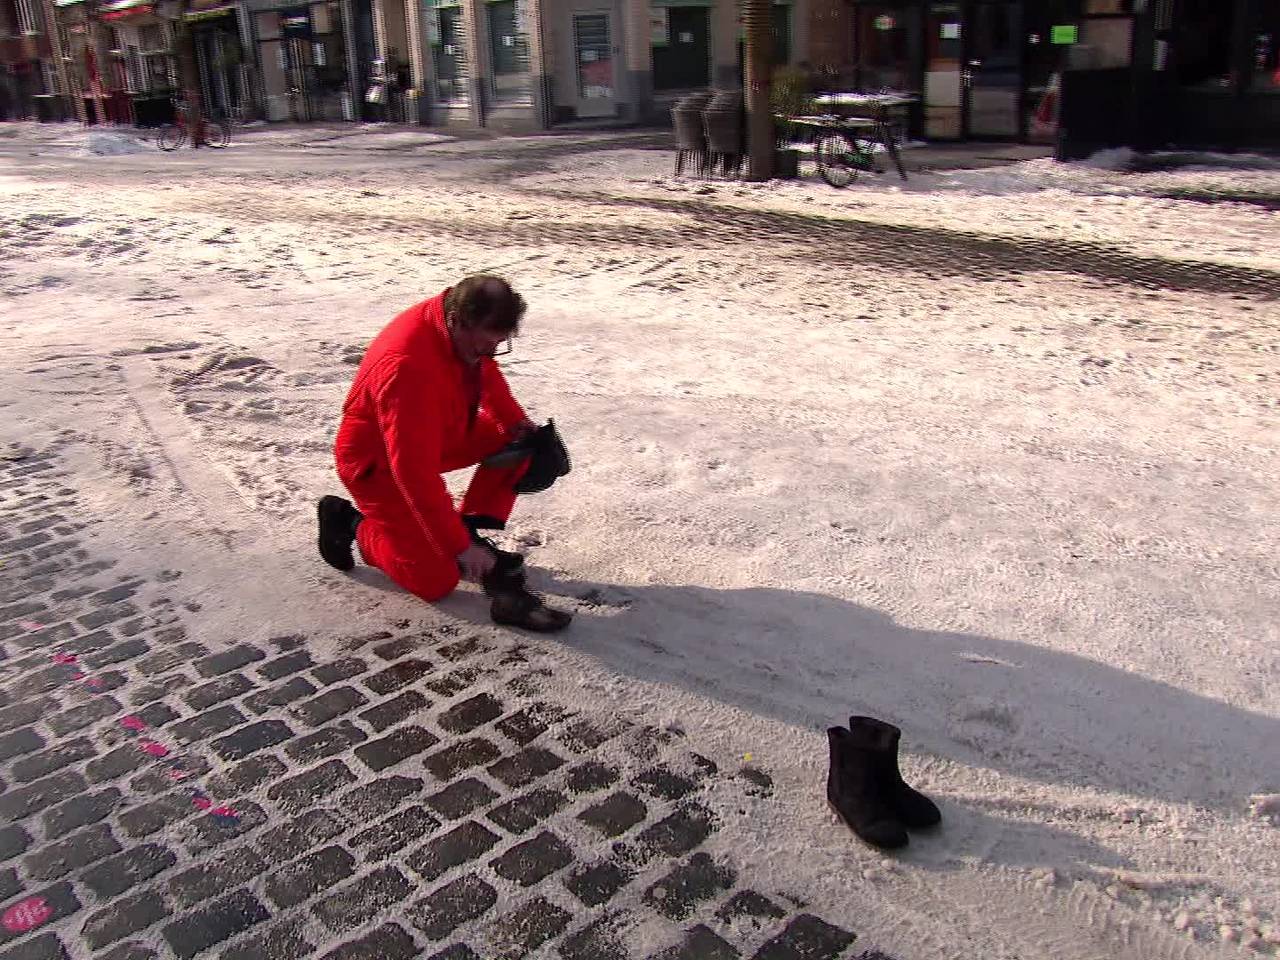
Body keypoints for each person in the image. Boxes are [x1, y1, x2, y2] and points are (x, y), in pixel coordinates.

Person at [317, 275, 572, 632]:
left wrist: (516, 424)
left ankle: (467, 528)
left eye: (497, 345)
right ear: (456, 321)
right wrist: (457, 548)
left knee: (522, 443)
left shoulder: (454, 321)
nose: (489, 353)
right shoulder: (408, 368)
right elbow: (412, 472)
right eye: (484, 344)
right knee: (436, 580)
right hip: (376, 463)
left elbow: (485, 371)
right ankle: (350, 523)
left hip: (435, 432)